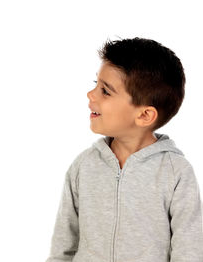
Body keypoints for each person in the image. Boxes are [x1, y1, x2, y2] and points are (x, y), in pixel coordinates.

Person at [45, 37, 203, 262]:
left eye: (105, 91)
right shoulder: (83, 166)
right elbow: (63, 246)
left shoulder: (176, 172)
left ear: (144, 115)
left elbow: (189, 251)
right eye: (96, 85)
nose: (91, 95)